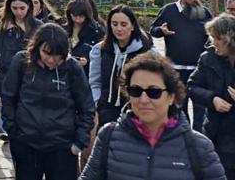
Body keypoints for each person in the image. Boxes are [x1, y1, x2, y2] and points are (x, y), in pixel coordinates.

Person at [80, 52, 226, 180]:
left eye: (154, 92)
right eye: (135, 91)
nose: (143, 99)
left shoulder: (198, 147)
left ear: (171, 97)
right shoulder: (109, 136)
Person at [1, 23, 95, 180]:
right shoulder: (21, 62)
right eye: (47, 53)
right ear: (37, 47)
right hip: (26, 144)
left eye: (58, 55)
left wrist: (79, 142)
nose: (51, 60)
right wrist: (13, 133)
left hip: (62, 147)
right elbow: (8, 97)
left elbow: (86, 107)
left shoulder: (72, 68)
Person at [150, 0, 212, 131]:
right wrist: (161, 31)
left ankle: (198, 139)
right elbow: (153, 29)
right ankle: (183, 137)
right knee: (179, 108)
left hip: (199, 69)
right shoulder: (169, 10)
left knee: (200, 109)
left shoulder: (203, 12)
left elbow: (214, 33)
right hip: (176, 69)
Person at [0, 0, 42, 140]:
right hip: (6, 73)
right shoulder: (2, 25)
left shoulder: (37, 26)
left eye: (22, 8)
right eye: (14, 8)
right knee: (7, 104)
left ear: (29, 7)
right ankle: (6, 130)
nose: (18, 12)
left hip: (30, 76)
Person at [189, 13, 235, 180]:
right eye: (212, 37)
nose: (214, 43)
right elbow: (192, 86)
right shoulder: (207, 58)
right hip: (216, 133)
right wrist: (212, 99)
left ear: (230, 38)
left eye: (217, 38)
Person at [89, 4, 154, 127]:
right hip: (105, 111)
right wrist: (97, 103)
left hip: (135, 113)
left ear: (133, 26)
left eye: (123, 25)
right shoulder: (99, 50)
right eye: (114, 24)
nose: (119, 29)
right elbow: (94, 82)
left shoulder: (147, 52)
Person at [65, 0, 103, 75]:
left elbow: (102, 57)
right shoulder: (64, 30)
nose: (77, 20)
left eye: (81, 16)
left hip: (86, 75)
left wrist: (88, 61)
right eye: (74, 16)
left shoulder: (96, 31)